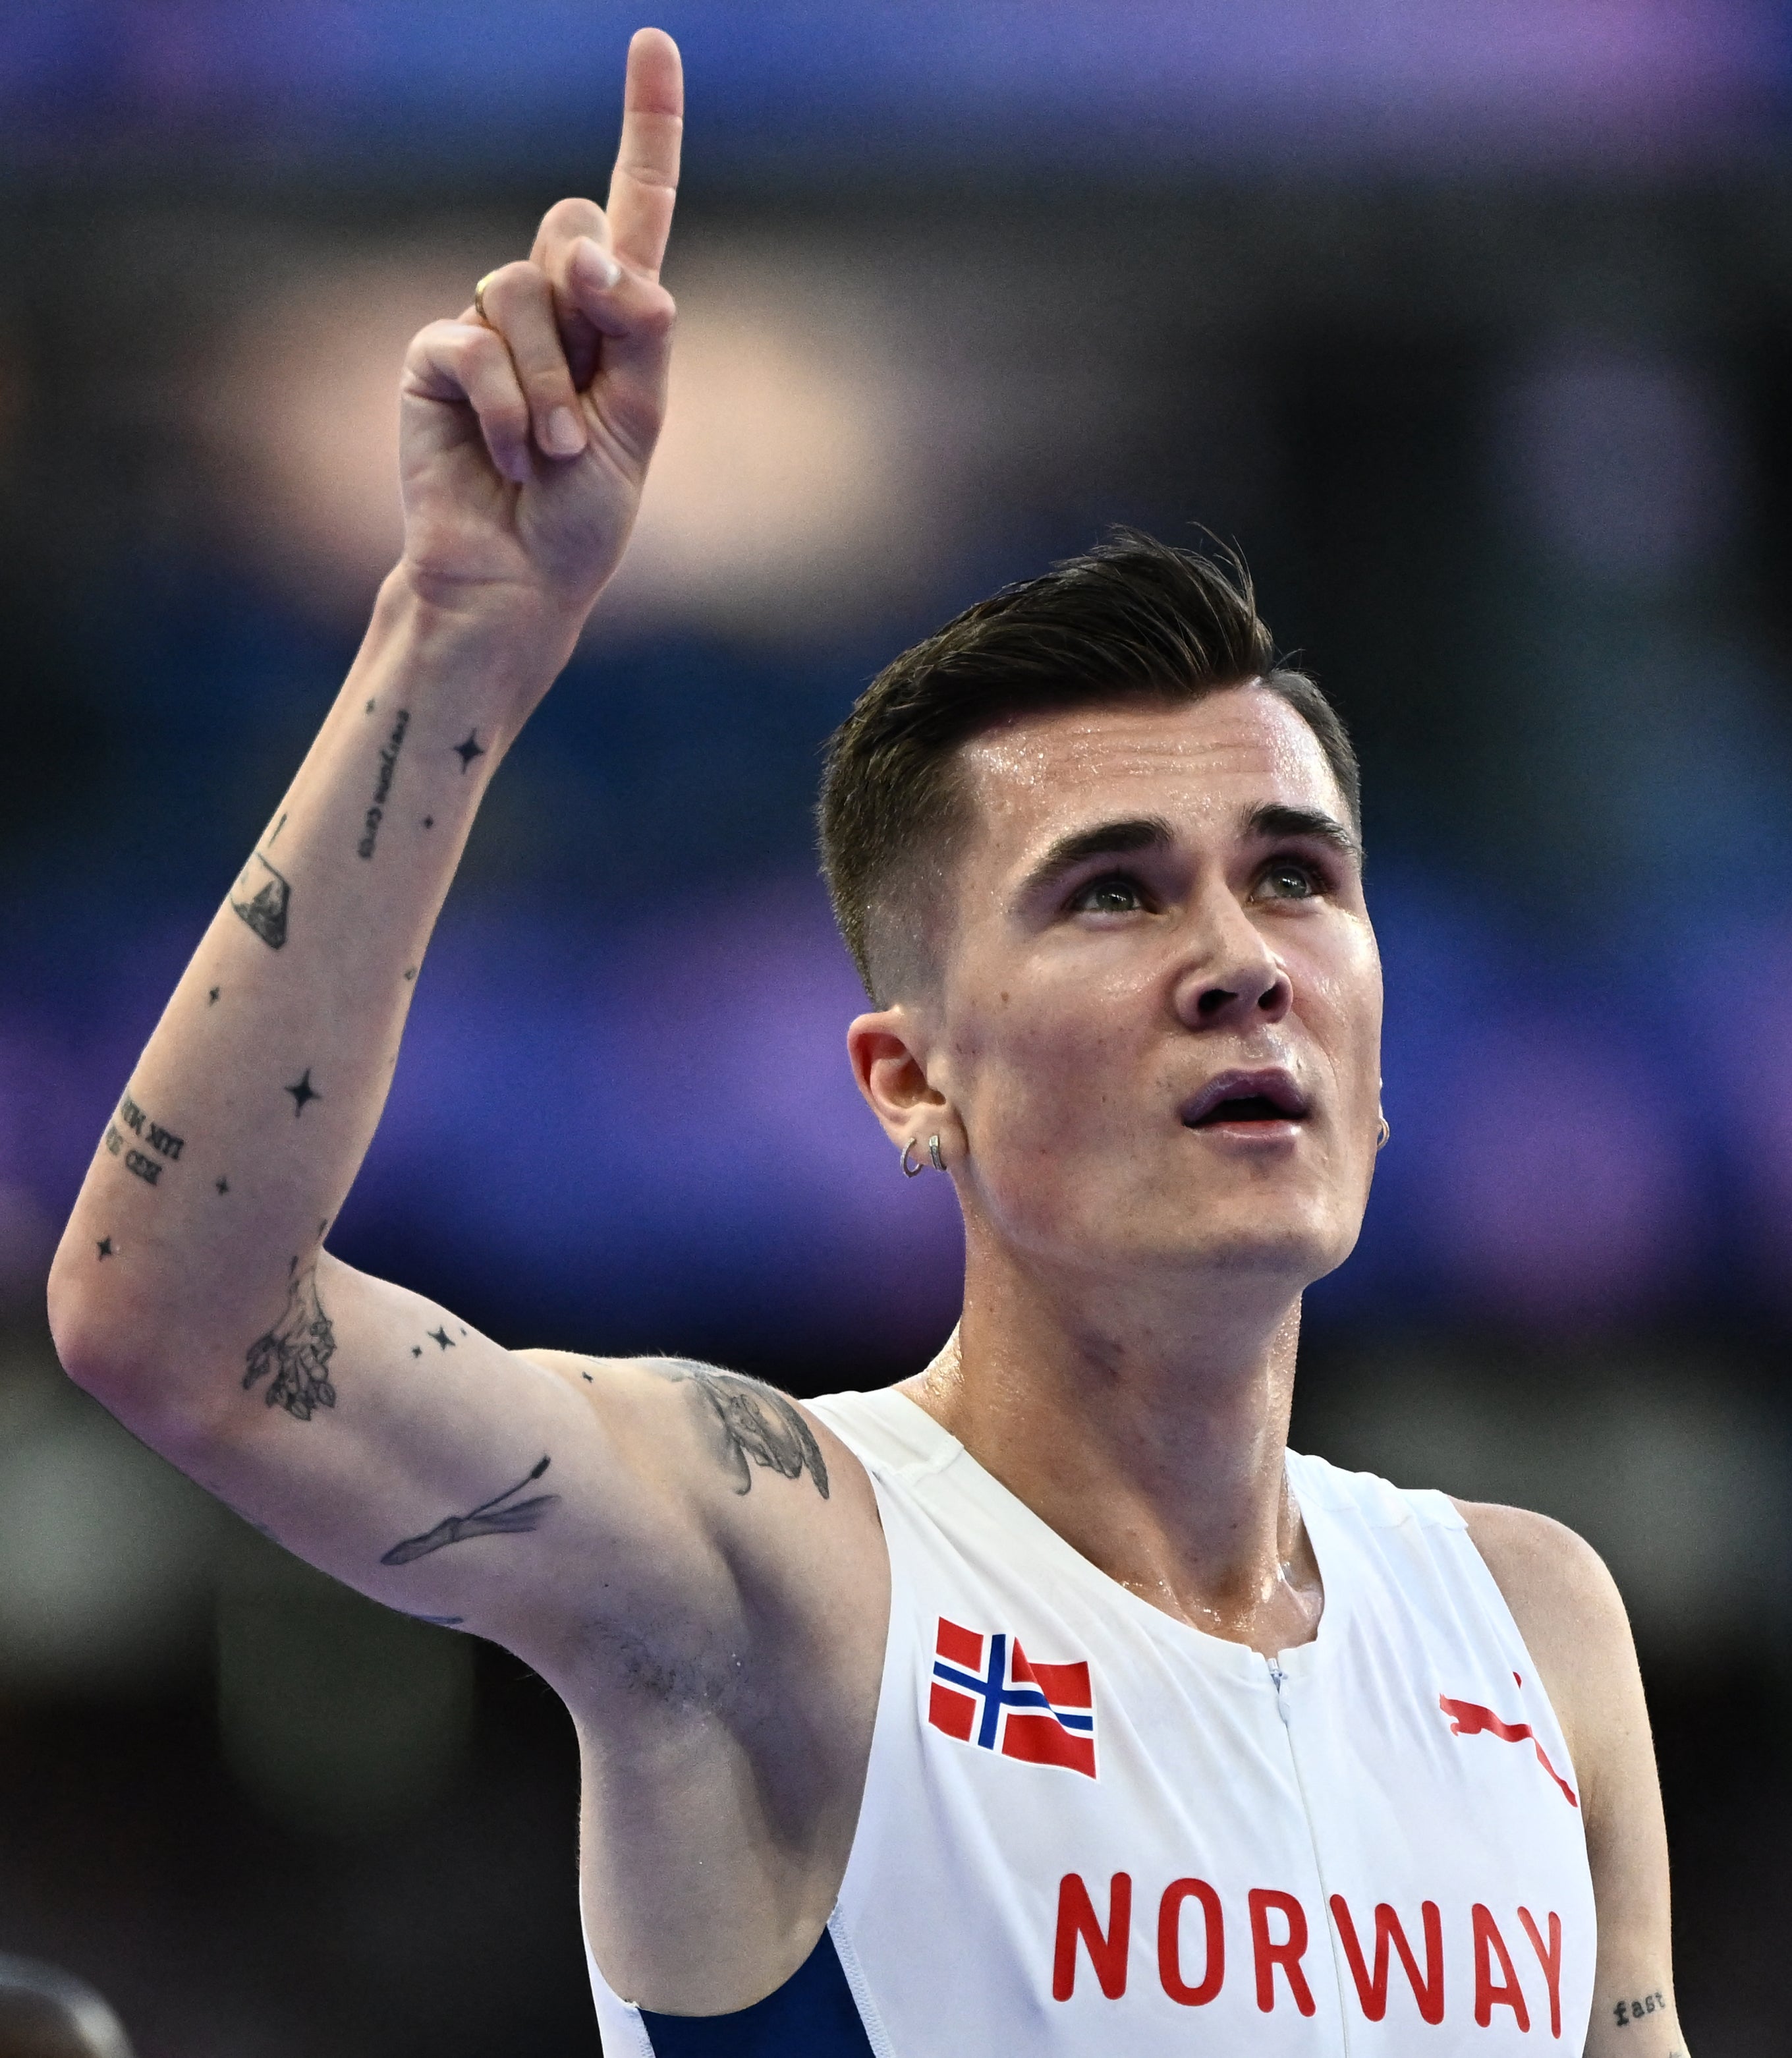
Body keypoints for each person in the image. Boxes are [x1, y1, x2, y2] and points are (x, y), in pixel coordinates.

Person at [45, 30, 1685, 2056]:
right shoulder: (781, 1570)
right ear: (912, 1084)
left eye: (1294, 876)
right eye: (1112, 889)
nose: (1240, 959)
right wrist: (459, 629)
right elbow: (178, 1319)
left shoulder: (1531, 1631)